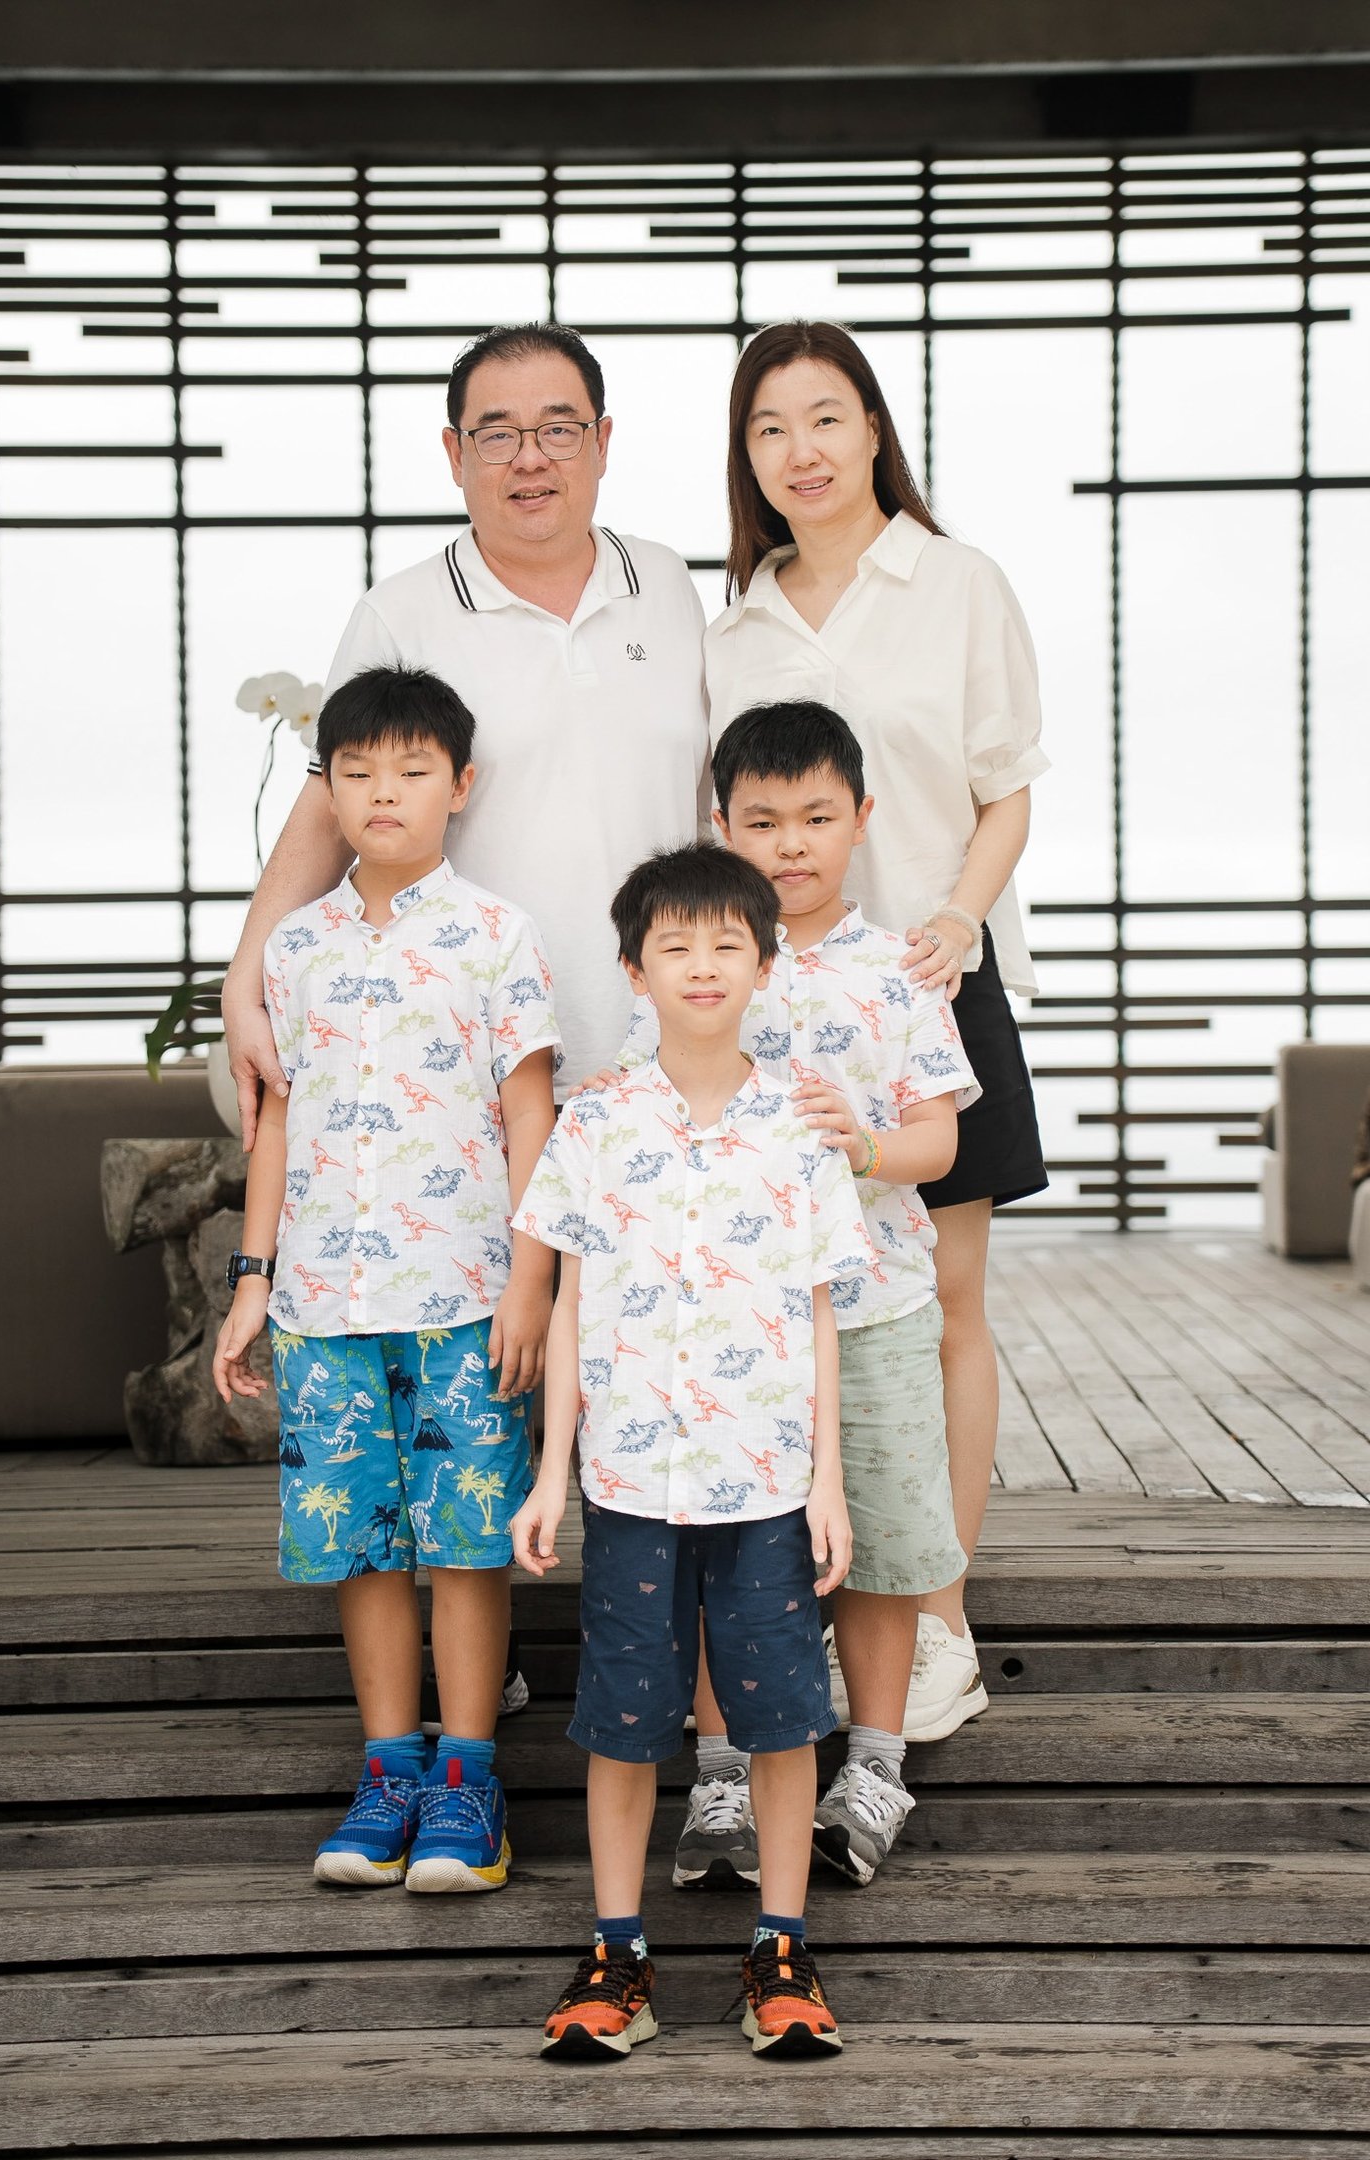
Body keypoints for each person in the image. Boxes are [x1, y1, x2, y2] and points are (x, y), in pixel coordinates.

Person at [705, 319, 1049, 1744]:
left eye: (827, 417)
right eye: (772, 426)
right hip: (784, 1023)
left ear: (873, 431)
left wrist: (959, 920)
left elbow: (1009, 783)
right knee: (813, 1322)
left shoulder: (957, 580)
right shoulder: (733, 626)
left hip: (929, 987)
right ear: (751, 456)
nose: (802, 449)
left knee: (944, 1308)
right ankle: (844, 1609)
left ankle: (944, 1615)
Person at [510, 843, 875, 2061]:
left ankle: (780, 1948)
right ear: (633, 969)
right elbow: (564, 1304)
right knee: (623, 1722)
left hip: (768, 1483)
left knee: (778, 1721)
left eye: (728, 944)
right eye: (676, 945)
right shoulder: (597, 1121)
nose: (702, 965)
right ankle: (619, 1955)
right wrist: (551, 1471)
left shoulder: (801, 1123)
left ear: (765, 967)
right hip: (625, 1484)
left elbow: (821, 1309)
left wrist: (828, 1479)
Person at [212, 663, 559, 1895]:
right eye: (355, 772)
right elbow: (278, 1129)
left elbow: (531, 1122)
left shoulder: (496, 936)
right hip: (322, 1307)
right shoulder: (291, 951)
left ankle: (469, 1784)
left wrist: (533, 1284)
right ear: (329, 789)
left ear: (460, 787)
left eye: (412, 771)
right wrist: (252, 1282)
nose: (383, 793)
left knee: (464, 1544)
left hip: (466, 1297)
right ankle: (387, 1773)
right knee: (357, 1547)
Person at [619, 704, 979, 1890]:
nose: (792, 843)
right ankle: (722, 1769)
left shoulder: (898, 969)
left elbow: (936, 1140)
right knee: (736, 1546)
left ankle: (873, 1764)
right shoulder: (704, 956)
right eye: (762, 820)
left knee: (877, 1542)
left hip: (872, 1310)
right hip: (726, 1335)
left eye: (818, 817)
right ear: (722, 823)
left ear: (861, 822)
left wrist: (864, 1145)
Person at [220, 320, 709, 1146]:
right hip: (474, 1062)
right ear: (455, 455)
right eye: (497, 435)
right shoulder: (399, 614)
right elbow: (327, 808)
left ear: (601, 442)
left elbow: (710, 809)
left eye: (559, 429)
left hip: (671, 1051)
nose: (531, 458)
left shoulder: (665, 583)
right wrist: (245, 982)